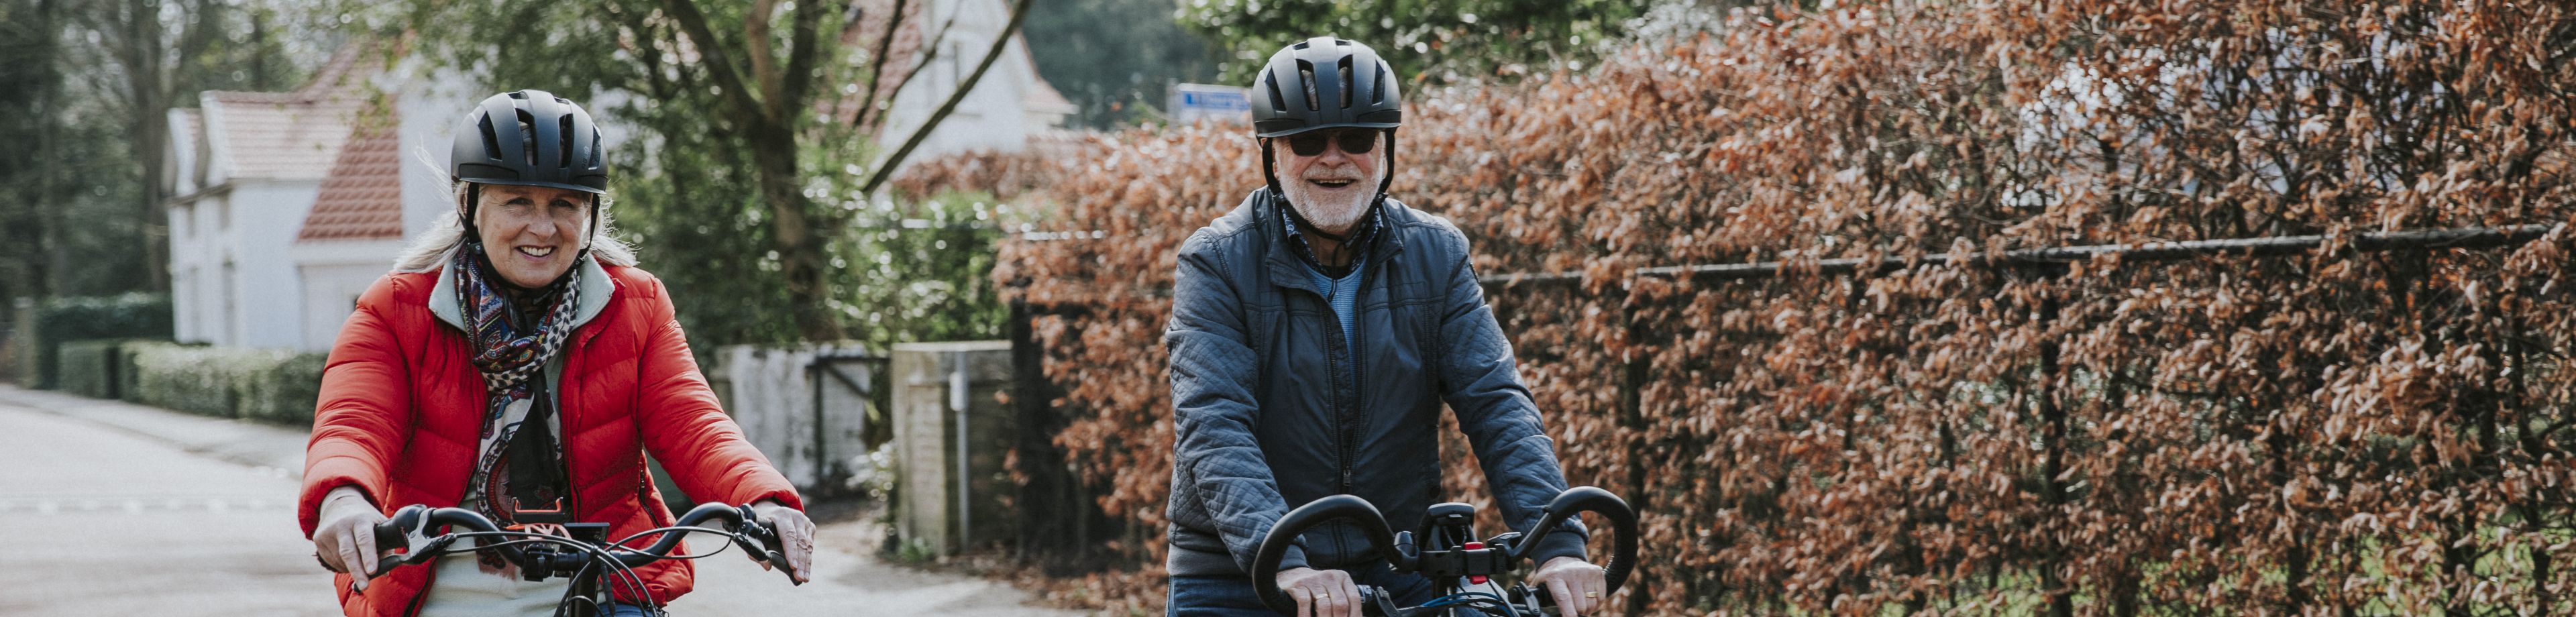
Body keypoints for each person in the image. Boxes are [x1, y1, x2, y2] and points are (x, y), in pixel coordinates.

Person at [297, 90, 815, 617]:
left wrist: (764, 499)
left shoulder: (635, 304)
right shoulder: (398, 308)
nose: (542, 229)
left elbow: (694, 422)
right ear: (469, 206)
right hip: (445, 596)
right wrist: (344, 500)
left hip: (605, 586)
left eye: (564, 204)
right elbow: (352, 423)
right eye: (517, 202)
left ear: (589, 213)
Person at [1163, 38, 1610, 617]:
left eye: (1356, 138)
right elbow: (1216, 424)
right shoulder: (1217, 261)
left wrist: (1556, 547)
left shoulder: (1436, 253)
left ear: (1385, 149)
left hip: (1392, 568)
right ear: (1272, 154)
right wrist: (1288, 563)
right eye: (1306, 140)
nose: (1333, 158)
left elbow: (1495, 401)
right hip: (1240, 574)